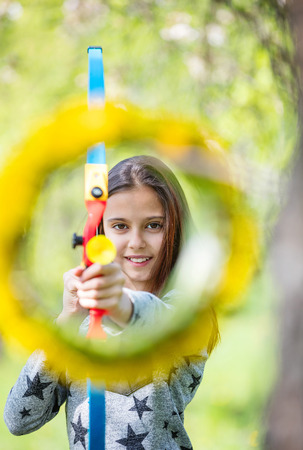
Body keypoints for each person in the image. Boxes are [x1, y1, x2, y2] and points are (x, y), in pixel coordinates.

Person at [4, 155, 219, 449]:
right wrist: (67, 320)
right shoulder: (79, 326)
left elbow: (156, 321)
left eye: (153, 225)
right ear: (98, 232)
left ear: (176, 229)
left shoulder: (189, 311)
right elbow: (19, 420)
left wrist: (119, 303)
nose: (136, 241)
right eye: (120, 226)